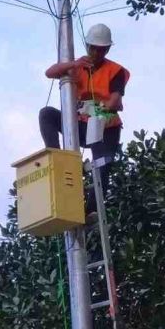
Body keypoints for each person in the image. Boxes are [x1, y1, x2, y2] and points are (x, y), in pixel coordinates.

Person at [39, 23, 129, 217]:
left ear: (107, 49)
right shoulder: (78, 67)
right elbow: (50, 72)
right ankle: (57, 157)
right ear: (88, 46)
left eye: (101, 49)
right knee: (47, 114)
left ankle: (91, 210)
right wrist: (73, 64)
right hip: (81, 125)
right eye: (93, 48)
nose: (96, 53)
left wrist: (99, 107)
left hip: (105, 128)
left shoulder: (115, 70)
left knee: (102, 164)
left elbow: (115, 100)